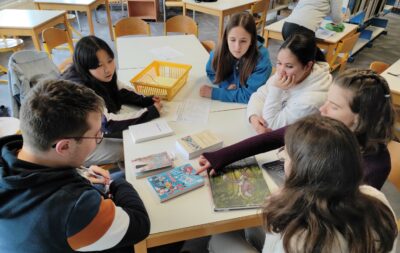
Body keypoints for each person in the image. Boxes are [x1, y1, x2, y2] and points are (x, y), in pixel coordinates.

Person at [0, 79, 150, 252]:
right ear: (64, 146)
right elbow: (139, 224)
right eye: (96, 135)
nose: (99, 139)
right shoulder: (75, 208)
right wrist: (115, 184)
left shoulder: (15, 154)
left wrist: (80, 175)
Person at [209, 116, 398, 253]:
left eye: (286, 155)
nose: (283, 158)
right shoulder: (375, 196)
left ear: (303, 169)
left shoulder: (294, 233)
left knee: (222, 237)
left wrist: (278, 204)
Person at [199, 68, 395, 189]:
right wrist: (220, 157)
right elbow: (274, 137)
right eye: (327, 101)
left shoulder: (374, 166)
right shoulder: (327, 124)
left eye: (334, 107)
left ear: (361, 118)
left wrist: (292, 175)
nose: (322, 109)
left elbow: (342, 218)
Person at [61, 35, 162, 166]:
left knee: (134, 135)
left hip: (91, 133)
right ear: (86, 67)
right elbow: (108, 124)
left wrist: (145, 100)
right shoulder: (82, 92)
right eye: (99, 65)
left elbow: (119, 89)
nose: (108, 69)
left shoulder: (94, 75)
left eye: (110, 61)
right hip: (76, 146)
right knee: (133, 147)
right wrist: (150, 111)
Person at [247, 33, 331, 133]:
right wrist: (253, 116)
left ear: (308, 66)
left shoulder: (311, 101)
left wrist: (276, 90)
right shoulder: (289, 74)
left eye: (289, 66)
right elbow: (259, 96)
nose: (281, 71)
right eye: (278, 63)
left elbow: (271, 126)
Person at [199, 12, 272, 103]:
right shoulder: (219, 51)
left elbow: (250, 96)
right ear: (226, 38)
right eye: (233, 40)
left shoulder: (262, 60)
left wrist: (214, 93)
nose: (237, 47)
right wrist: (225, 85)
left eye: (243, 41)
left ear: (251, 41)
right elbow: (211, 72)